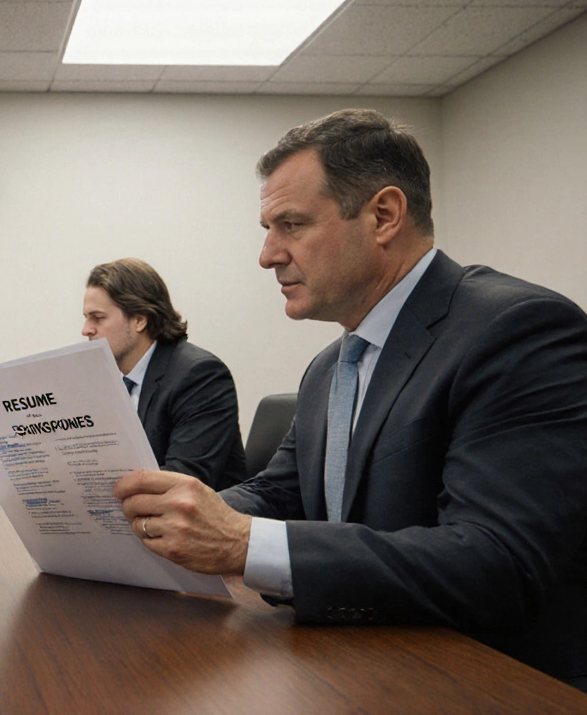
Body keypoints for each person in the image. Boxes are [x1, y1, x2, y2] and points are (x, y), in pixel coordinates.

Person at [112, 109, 587, 689]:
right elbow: (280, 491)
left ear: (384, 216)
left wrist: (240, 543)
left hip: (491, 682)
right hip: (364, 668)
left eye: (291, 225)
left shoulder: (518, 331)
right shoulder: (332, 364)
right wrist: (154, 518)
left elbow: (496, 564)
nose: (267, 255)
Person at [82, 259, 247, 490]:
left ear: (139, 320)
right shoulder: (104, 382)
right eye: (86, 317)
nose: (86, 330)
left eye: (98, 318)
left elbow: (184, 480)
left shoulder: (199, 376)